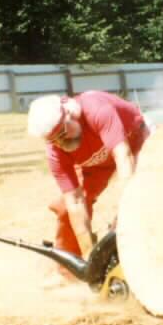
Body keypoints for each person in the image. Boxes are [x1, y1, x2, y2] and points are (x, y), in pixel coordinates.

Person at [27, 91, 151, 265]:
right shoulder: (56, 151)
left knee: (145, 194)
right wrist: (89, 255)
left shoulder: (96, 109)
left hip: (133, 143)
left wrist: (124, 215)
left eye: (62, 133)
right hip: (97, 163)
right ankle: (70, 271)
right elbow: (75, 202)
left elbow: (124, 158)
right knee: (65, 209)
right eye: (54, 140)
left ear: (69, 112)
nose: (61, 143)